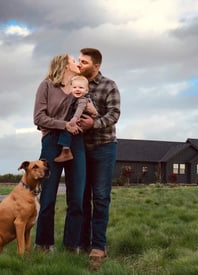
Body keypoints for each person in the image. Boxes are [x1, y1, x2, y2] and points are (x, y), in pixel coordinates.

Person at [33, 53, 85, 253]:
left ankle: (72, 245)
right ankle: (43, 244)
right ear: (64, 65)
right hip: (52, 142)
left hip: (77, 142)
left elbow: (87, 112)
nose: (77, 63)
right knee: (48, 197)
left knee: (77, 197)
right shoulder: (46, 86)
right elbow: (38, 117)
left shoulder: (79, 88)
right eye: (73, 60)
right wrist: (64, 125)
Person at [77, 48, 121, 266]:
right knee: (81, 197)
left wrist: (94, 123)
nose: (79, 64)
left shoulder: (109, 85)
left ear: (96, 65)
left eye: (83, 62)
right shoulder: (75, 84)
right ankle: (82, 243)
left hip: (104, 147)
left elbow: (114, 114)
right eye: (78, 60)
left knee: (101, 197)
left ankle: (98, 246)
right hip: (80, 149)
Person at [54, 75, 98, 162]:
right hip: (80, 120)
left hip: (80, 120)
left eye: (81, 87)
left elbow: (80, 109)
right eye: (74, 87)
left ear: (86, 90)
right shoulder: (74, 98)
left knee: (67, 128)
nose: (77, 89)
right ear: (71, 89)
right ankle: (65, 148)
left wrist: (74, 119)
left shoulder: (83, 99)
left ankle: (66, 150)